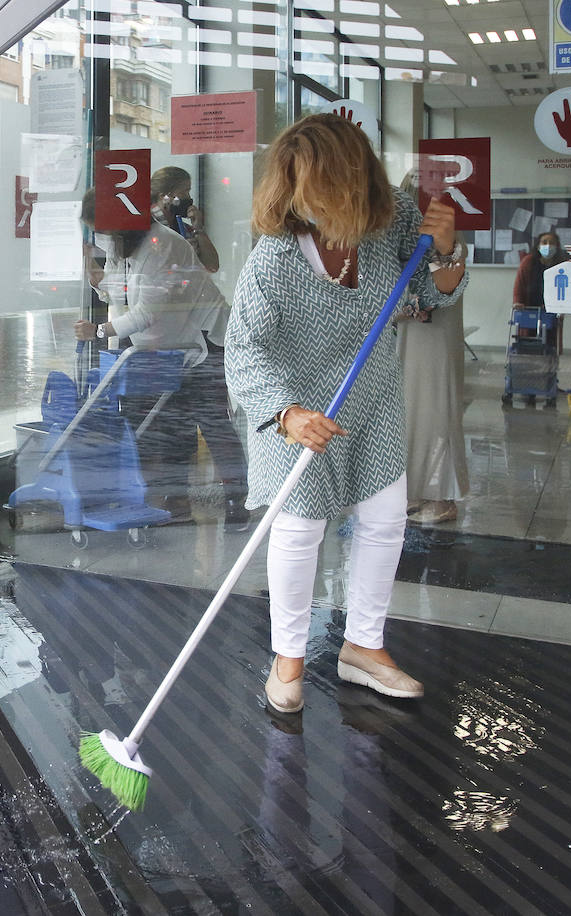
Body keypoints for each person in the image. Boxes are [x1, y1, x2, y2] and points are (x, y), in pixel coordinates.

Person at [223, 114, 466, 714]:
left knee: (385, 522)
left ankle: (363, 648)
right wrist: (286, 414)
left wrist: (444, 247)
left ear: (359, 182)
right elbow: (244, 347)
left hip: (373, 399)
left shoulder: (393, 225)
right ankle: (288, 659)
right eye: (309, 192)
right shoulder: (275, 259)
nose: (323, 204)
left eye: (332, 188)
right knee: (300, 531)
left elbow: (431, 293)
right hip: (299, 410)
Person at [73, 188, 249, 525]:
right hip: (166, 345)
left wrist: (99, 331)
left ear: (120, 221)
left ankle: (236, 500)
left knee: (212, 422)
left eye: (102, 228)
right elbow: (120, 289)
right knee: (172, 422)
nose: (101, 236)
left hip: (204, 340)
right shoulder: (121, 244)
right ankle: (176, 496)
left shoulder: (163, 245)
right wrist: (96, 277)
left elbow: (147, 311)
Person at [396, 176, 470, 527]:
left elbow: (428, 300)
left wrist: (393, 307)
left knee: (433, 414)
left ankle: (438, 494)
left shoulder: (449, 243)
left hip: (432, 343)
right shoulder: (397, 241)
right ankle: (408, 490)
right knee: (407, 415)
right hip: (405, 344)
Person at [150, 166, 221, 273]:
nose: (188, 197)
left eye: (188, 192)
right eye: (183, 193)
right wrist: (182, 252)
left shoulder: (183, 228)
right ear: (164, 197)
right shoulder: (149, 226)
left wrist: (198, 229)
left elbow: (212, 266)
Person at [512, 231, 569, 353]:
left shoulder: (560, 264)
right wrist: (517, 302)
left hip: (550, 311)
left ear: (557, 246)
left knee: (549, 343)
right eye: (544, 242)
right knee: (527, 341)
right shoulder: (528, 262)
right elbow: (519, 285)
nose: (548, 246)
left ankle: (549, 367)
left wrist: (562, 306)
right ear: (538, 246)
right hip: (529, 307)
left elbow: (565, 288)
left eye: (552, 243)